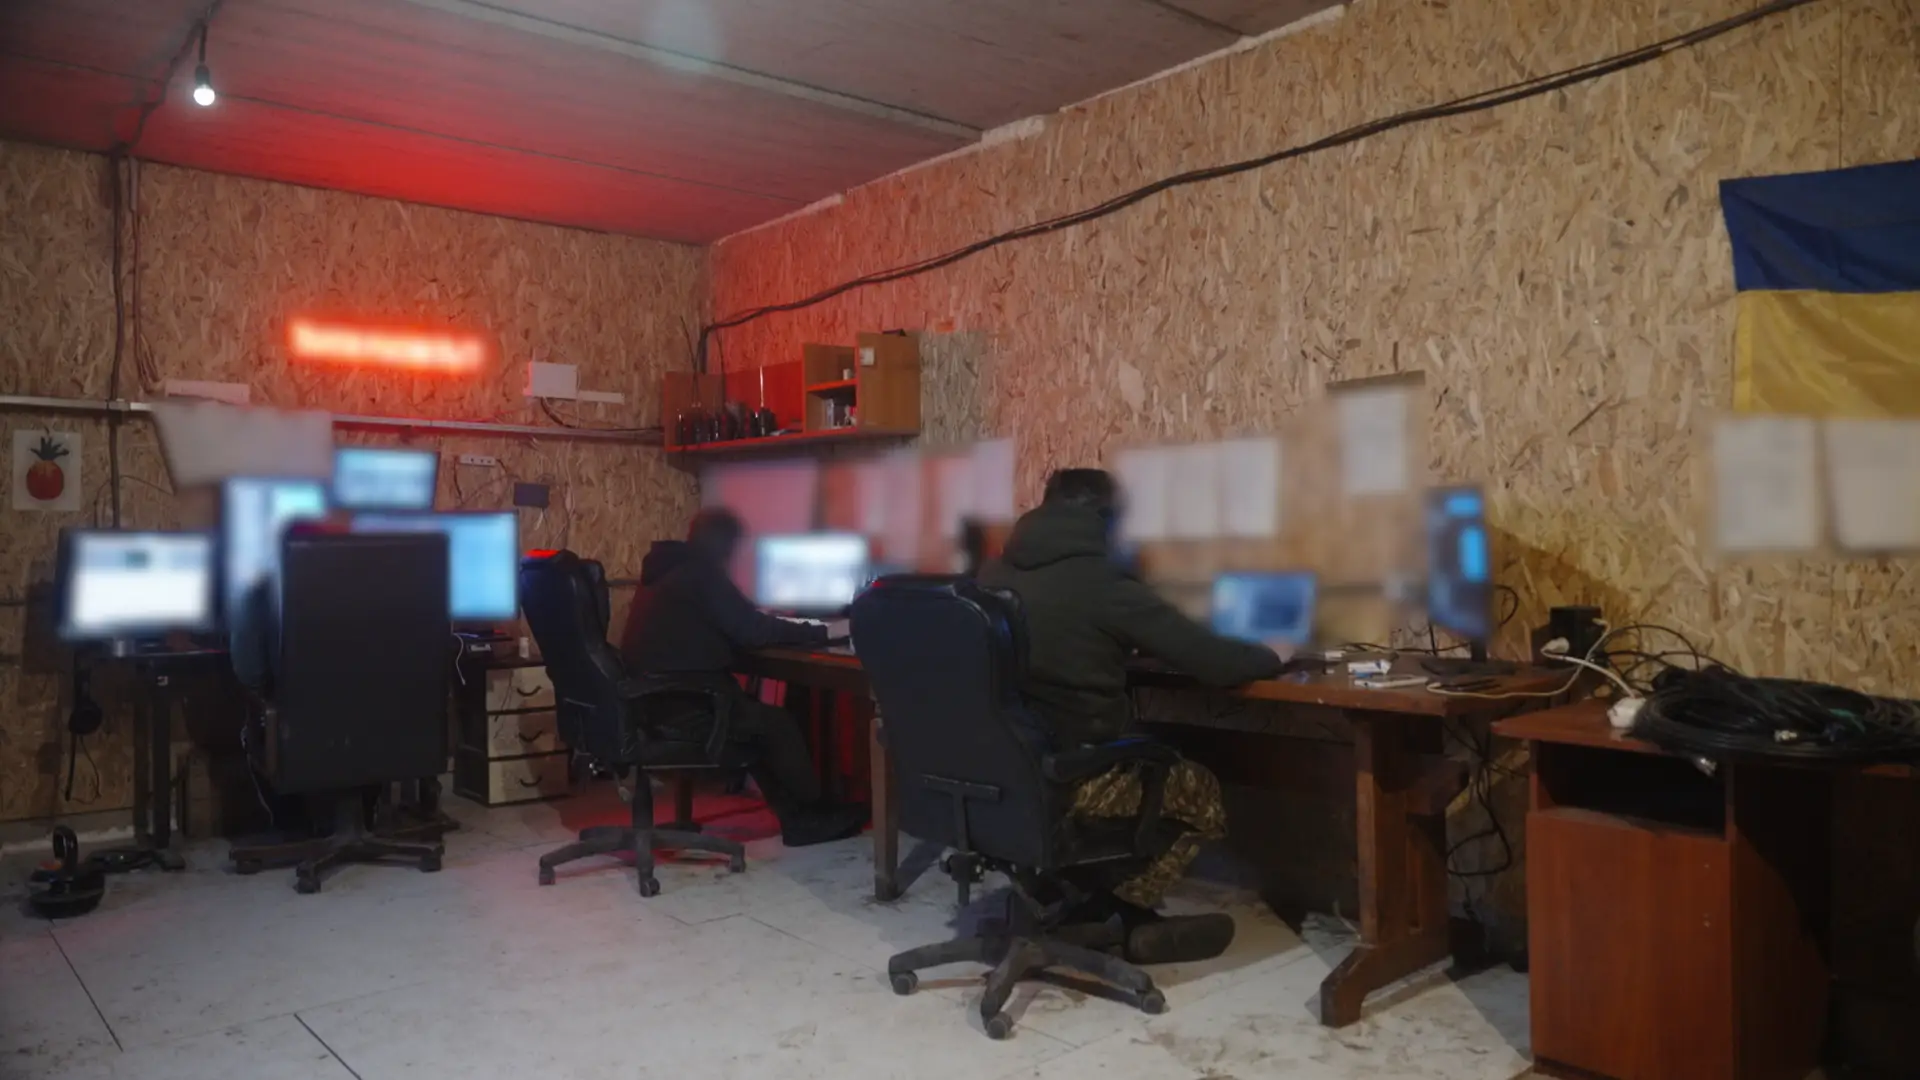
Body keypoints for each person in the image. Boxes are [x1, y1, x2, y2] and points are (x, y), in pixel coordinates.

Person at [980, 468, 1287, 963]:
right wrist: (1275, 652)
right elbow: (1220, 663)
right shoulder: (1102, 581)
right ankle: (1115, 914)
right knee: (1198, 788)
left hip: (995, 774)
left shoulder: (991, 575)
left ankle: (1073, 898)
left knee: (1137, 752)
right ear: (1108, 521)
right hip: (1067, 778)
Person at [621, 509, 866, 848]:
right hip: (688, 704)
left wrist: (761, 620)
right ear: (725, 545)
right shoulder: (700, 574)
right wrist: (826, 631)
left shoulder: (666, 571)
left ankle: (801, 817)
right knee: (775, 724)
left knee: (756, 723)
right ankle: (810, 813)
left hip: (656, 704)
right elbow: (752, 630)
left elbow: (735, 622)